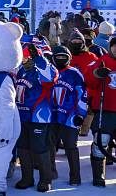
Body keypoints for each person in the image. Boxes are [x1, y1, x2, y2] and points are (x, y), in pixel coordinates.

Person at [14, 44, 57, 191]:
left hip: (39, 116)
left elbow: (50, 77)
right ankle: (27, 178)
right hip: (21, 116)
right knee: (23, 148)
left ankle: (46, 179)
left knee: (40, 148)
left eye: (26, 57)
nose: (23, 59)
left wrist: (39, 58)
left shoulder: (42, 71)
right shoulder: (20, 71)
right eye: (22, 57)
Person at [49, 46, 87, 186]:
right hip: (51, 116)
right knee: (50, 145)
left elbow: (82, 94)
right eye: (57, 57)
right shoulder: (49, 72)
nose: (60, 59)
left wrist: (81, 114)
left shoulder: (75, 73)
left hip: (70, 117)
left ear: (69, 58)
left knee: (71, 146)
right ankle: (50, 173)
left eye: (63, 57)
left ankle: (75, 177)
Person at [86, 37, 116, 187]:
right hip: (105, 110)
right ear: (111, 47)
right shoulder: (101, 61)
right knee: (100, 142)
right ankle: (99, 176)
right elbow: (89, 80)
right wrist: (97, 74)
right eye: (115, 46)